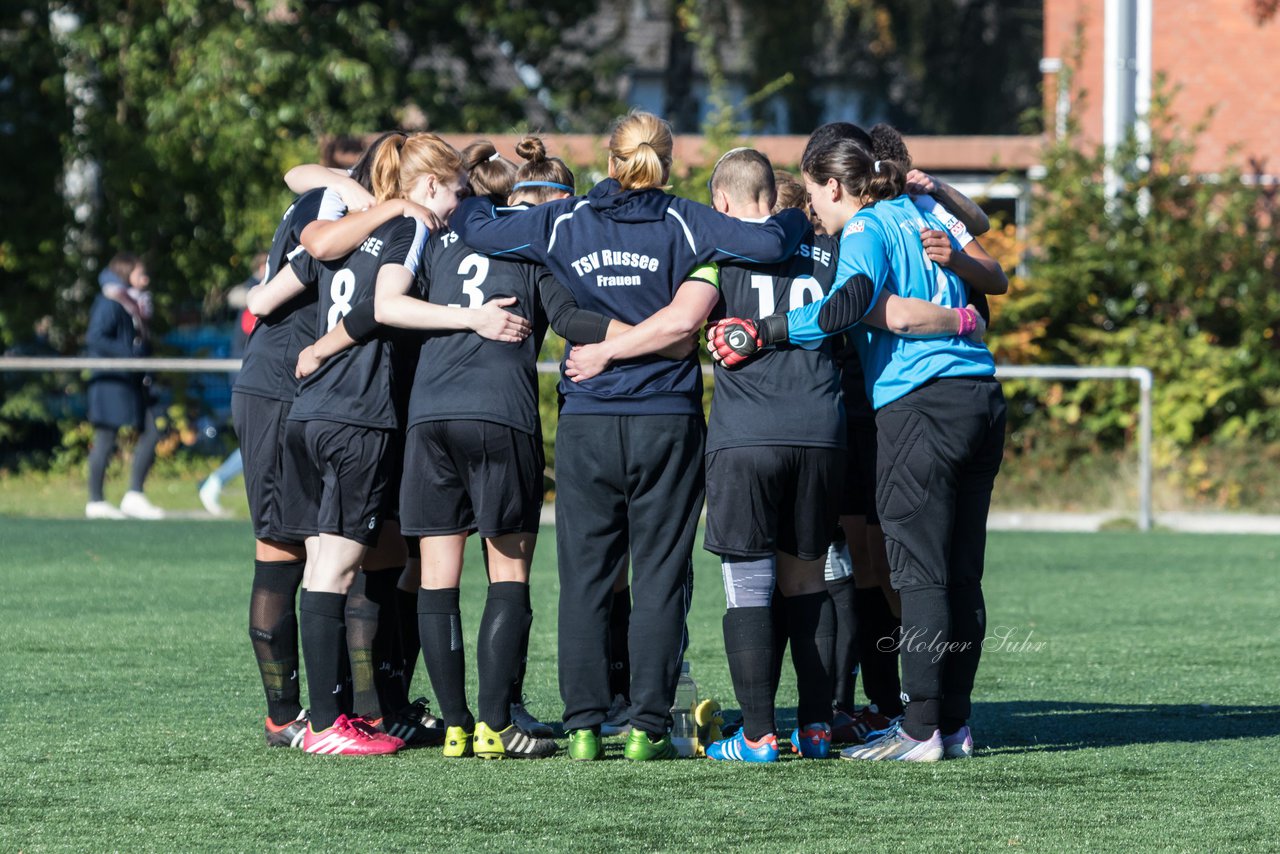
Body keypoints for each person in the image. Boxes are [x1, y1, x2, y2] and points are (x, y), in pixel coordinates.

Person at [454, 110, 811, 761]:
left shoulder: (566, 220)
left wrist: (468, 188)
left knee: (585, 576)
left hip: (588, 418)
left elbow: (476, 231)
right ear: (666, 162)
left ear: (611, 160)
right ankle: (647, 725)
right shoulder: (683, 219)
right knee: (660, 577)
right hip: (665, 419)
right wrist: (796, 215)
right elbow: (770, 246)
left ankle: (586, 724)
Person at [708, 131, 1007, 762]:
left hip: (918, 403)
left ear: (834, 185)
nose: (814, 208)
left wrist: (764, 329)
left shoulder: (866, 229)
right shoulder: (923, 210)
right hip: (980, 396)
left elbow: (851, 305)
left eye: (815, 193)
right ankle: (954, 725)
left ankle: (920, 729)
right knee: (961, 574)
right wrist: (962, 319)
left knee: (919, 574)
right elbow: (988, 268)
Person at [85, 253, 165, 520]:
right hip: (111, 381)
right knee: (106, 439)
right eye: (140, 273)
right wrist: (129, 354)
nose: (146, 278)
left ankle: (134, 495)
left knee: (152, 429)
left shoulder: (135, 303)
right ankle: (95, 501)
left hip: (132, 381)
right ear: (125, 273)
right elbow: (95, 338)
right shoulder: (111, 302)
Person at [199, 252, 266, 516]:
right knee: (256, 440)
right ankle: (215, 481)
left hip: (250, 374)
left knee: (259, 440)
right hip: (249, 376)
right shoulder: (255, 295)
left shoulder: (256, 291)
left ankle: (216, 482)